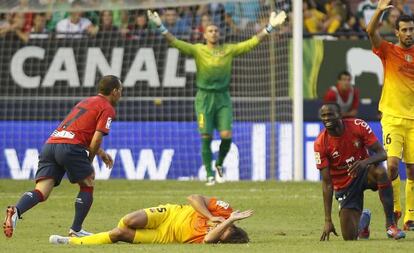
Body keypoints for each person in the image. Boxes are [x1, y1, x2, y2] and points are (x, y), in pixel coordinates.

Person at [147, 9, 287, 186]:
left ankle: (219, 164)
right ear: (204, 35)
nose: (214, 33)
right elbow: (175, 42)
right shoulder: (198, 50)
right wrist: (160, 26)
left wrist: (269, 28)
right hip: (204, 99)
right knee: (206, 136)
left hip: (222, 99)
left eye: (216, 31)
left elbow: (251, 43)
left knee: (227, 135)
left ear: (219, 34)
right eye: (210, 31)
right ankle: (209, 174)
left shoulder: (228, 50)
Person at [3, 75, 123, 238]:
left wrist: (100, 153)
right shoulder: (107, 107)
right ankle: (76, 229)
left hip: (51, 144)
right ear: (114, 91)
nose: (121, 95)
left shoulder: (85, 102)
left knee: (42, 191)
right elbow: (96, 138)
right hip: (70, 148)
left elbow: (78, 130)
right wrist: (90, 160)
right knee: (87, 182)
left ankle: (16, 211)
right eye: (120, 91)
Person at [315, 103, 405, 240]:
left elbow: (382, 154)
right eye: (323, 116)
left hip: (365, 173)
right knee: (349, 237)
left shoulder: (358, 125)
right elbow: (327, 183)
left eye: (330, 114)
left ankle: (390, 225)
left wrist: (364, 163)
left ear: (339, 115)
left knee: (381, 172)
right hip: (345, 186)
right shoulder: (320, 143)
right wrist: (328, 220)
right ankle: (363, 223)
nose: (326, 118)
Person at [366, 0, 414, 230]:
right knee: (393, 166)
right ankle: (395, 208)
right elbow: (370, 31)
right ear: (397, 32)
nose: (408, 33)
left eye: (411, 29)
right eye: (404, 30)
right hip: (393, 118)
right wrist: (378, 11)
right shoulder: (388, 51)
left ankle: (410, 217)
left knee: (413, 169)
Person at [49, 194, 253, 245]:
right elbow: (193, 198)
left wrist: (225, 224)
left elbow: (209, 239)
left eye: (221, 233)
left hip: (164, 236)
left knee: (118, 233)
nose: (216, 230)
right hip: (170, 213)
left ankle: (72, 240)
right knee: (129, 220)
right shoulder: (225, 211)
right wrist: (213, 216)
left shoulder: (212, 238)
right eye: (225, 228)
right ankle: (95, 237)